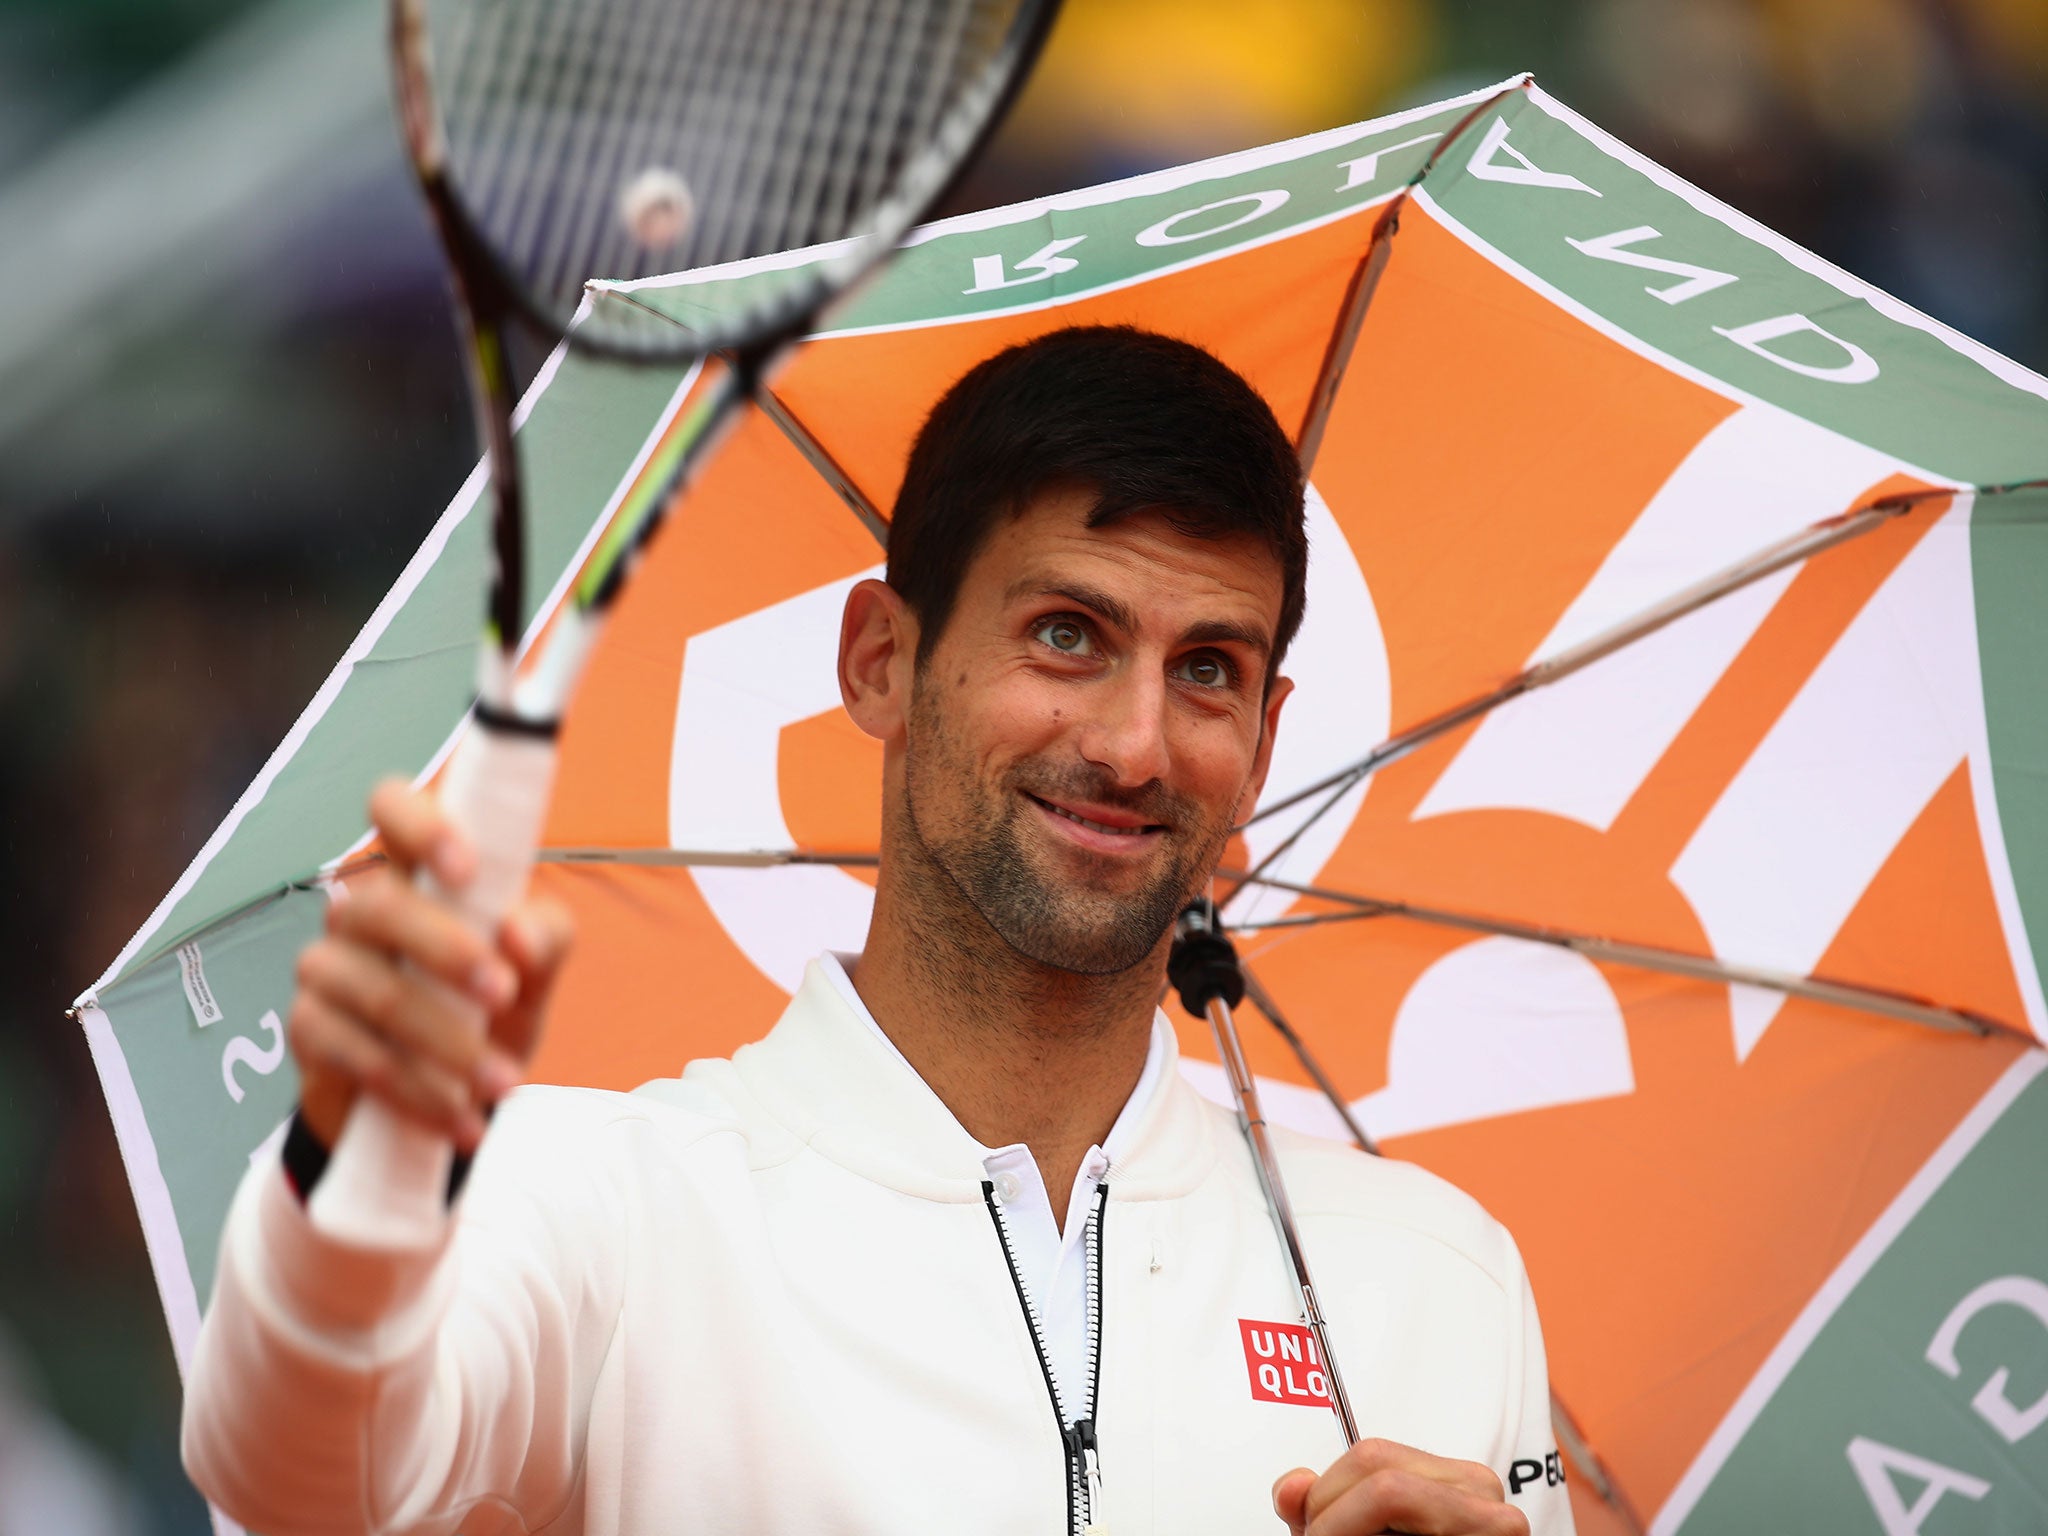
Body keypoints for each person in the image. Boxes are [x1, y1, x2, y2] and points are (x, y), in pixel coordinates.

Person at [182, 326, 1573, 1536]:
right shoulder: (596, 1205)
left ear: (1263, 741)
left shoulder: (1436, 1279)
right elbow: (296, 1475)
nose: (1137, 745)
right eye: (1069, 635)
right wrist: (356, 1184)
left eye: (1207, 668)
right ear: (880, 662)